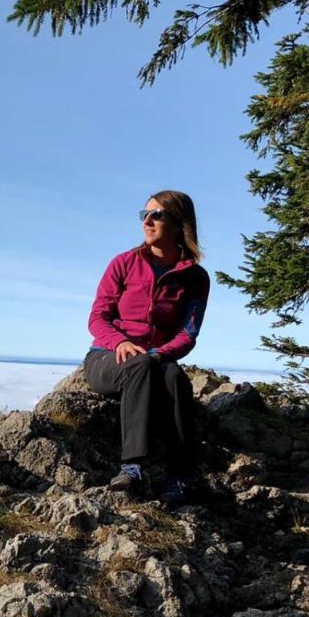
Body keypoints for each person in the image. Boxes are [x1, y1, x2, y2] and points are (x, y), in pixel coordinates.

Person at [83, 190, 209, 504]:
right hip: (106, 358)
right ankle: (132, 467)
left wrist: (158, 354)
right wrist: (120, 342)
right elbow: (98, 318)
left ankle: (179, 476)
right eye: (145, 214)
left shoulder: (195, 278)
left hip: (154, 359)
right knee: (140, 365)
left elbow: (187, 333)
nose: (148, 221)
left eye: (157, 215)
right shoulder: (124, 263)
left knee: (174, 378)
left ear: (180, 224)